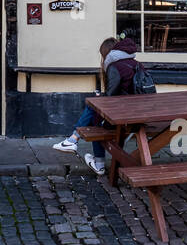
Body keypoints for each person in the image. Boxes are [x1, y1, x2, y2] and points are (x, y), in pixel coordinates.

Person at [52, 36, 140, 173]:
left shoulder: (115, 66)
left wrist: (100, 98)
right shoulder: (136, 64)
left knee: (94, 113)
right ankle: (75, 142)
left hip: (124, 120)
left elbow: (110, 98)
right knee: (95, 110)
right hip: (139, 116)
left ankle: (74, 140)